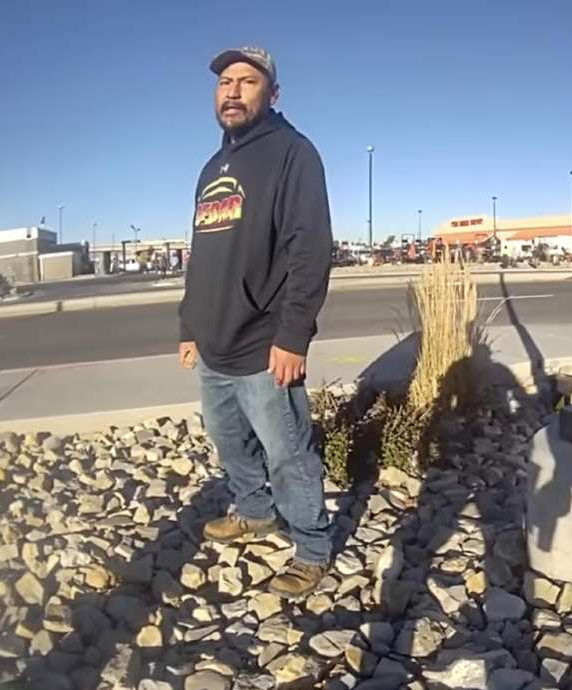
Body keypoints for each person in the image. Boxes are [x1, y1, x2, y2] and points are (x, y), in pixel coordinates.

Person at [178, 45, 334, 599]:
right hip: (214, 346)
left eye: (247, 81)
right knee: (228, 440)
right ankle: (254, 512)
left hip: (266, 346)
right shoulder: (212, 166)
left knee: (288, 450)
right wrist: (188, 324)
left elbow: (310, 250)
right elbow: (203, 253)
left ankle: (312, 547)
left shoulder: (293, 153)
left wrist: (294, 336)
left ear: (272, 92)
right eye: (224, 81)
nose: (233, 90)